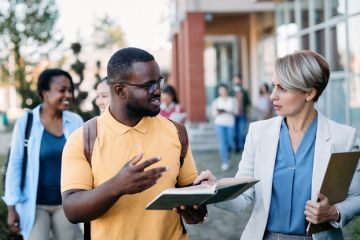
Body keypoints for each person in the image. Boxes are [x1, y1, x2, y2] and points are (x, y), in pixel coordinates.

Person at [195, 50, 360, 239]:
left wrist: (333, 212)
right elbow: (242, 198)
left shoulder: (343, 138)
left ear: (309, 93)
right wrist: (215, 189)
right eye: (274, 86)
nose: (273, 95)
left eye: (283, 88)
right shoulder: (258, 133)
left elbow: (357, 197)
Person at [61, 47, 207, 240]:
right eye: (148, 85)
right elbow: (72, 210)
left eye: (159, 82)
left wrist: (197, 209)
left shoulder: (176, 131)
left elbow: (190, 199)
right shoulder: (83, 138)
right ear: (120, 90)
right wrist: (117, 186)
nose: (158, 91)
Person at [3, 69, 84, 240]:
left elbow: (85, 161)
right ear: (44, 92)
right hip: (34, 203)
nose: (68, 95)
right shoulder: (26, 122)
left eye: (70, 90)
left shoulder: (75, 121)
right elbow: (15, 164)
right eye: (62, 90)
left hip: (67, 202)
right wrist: (12, 207)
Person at [212, 84, 238, 171]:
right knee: (222, 143)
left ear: (226, 90)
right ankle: (225, 161)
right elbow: (213, 114)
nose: (222, 92)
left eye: (223, 90)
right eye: (220, 90)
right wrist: (219, 112)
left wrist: (228, 111)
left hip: (230, 123)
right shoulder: (216, 101)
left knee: (230, 142)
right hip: (219, 123)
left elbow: (236, 112)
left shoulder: (232, 100)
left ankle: (228, 156)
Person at [232, 73, 251, 152]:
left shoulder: (244, 91)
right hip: (232, 115)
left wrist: (248, 114)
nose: (237, 80)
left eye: (238, 79)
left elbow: (248, 104)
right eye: (235, 79)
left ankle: (242, 148)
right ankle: (236, 147)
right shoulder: (230, 91)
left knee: (242, 131)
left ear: (241, 80)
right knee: (234, 132)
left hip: (242, 115)